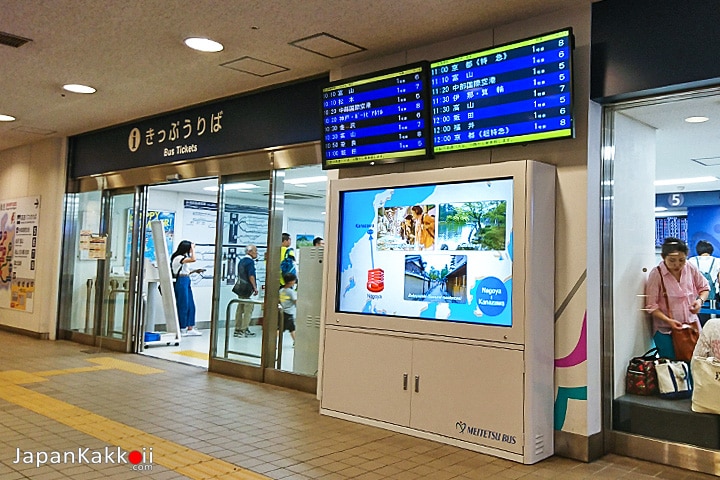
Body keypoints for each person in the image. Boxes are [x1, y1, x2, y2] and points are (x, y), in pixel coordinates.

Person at [645, 237, 708, 359]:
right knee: (673, 368)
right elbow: (651, 306)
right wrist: (669, 321)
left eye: (681, 260)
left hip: (691, 327)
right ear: (663, 257)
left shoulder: (690, 267)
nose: (677, 265)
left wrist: (699, 301)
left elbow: (704, 287)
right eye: (672, 260)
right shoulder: (656, 274)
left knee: (694, 364)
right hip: (666, 331)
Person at [170, 240, 205, 336]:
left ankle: (190, 327)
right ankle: (182, 328)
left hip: (186, 280)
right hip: (181, 282)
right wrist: (193, 249)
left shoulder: (183, 258)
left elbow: (185, 271)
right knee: (183, 305)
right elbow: (193, 259)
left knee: (190, 305)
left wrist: (195, 271)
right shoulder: (178, 258)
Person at [689, 240, 720, 326]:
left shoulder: (691, 261)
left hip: (695, 296)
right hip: (712, 296)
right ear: (711, 250)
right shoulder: (717, 261)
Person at [234, 244, 259, 338]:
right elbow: (251, 276)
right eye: (255, 251)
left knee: (240, 309)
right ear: (249, 252)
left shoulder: (241, 261)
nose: (256, 253)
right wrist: (255, 287)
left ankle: (237, 328)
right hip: (247, 289)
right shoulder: (250, 262)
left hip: (240, 287)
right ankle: (244, 329)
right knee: (248, 309)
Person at [278, 272, 297, 345]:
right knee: (281, 329)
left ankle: (295, 342)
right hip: (288, 312)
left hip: (283, 311)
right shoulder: (290, 292)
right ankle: (272, 342)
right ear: (291, 281)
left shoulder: (281, 290)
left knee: (291, 328)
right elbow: (295, 301)